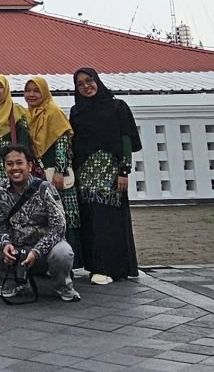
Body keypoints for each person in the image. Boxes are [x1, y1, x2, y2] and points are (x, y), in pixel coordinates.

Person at [70, 67, 143, 285]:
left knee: (107, 219)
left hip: (109, 172)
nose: (86, 87)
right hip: (85, 174)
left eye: (89, 81)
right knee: (90, 219)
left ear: (97, 81)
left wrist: (124, 171)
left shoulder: (116, 106)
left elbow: (126, 140)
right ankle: (95, 267)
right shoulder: (77, 111)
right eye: (80, 84)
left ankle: (112, 267)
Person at [0, 145, 81, 302]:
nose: (15, 168)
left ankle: (62, 286)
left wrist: (36, 251)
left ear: (29, 165)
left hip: (45, 251)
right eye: (9, 164)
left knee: (63, 253)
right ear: (4, 167)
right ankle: (18, 283)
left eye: (19, 163)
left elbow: (59, 227)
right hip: (16, 250)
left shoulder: (45, 189)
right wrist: (5, 244)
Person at [24, 76, 81, 266]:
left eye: (36, 90)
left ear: (45, 92)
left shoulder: (53, 113)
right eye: (28, 90)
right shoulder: (28, 115)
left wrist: (60, 170)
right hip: (39, 175)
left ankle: (70, 262)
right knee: (46, 217)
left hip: (57, 175)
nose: (31, 95)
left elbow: (62, 143)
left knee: (63, 217)